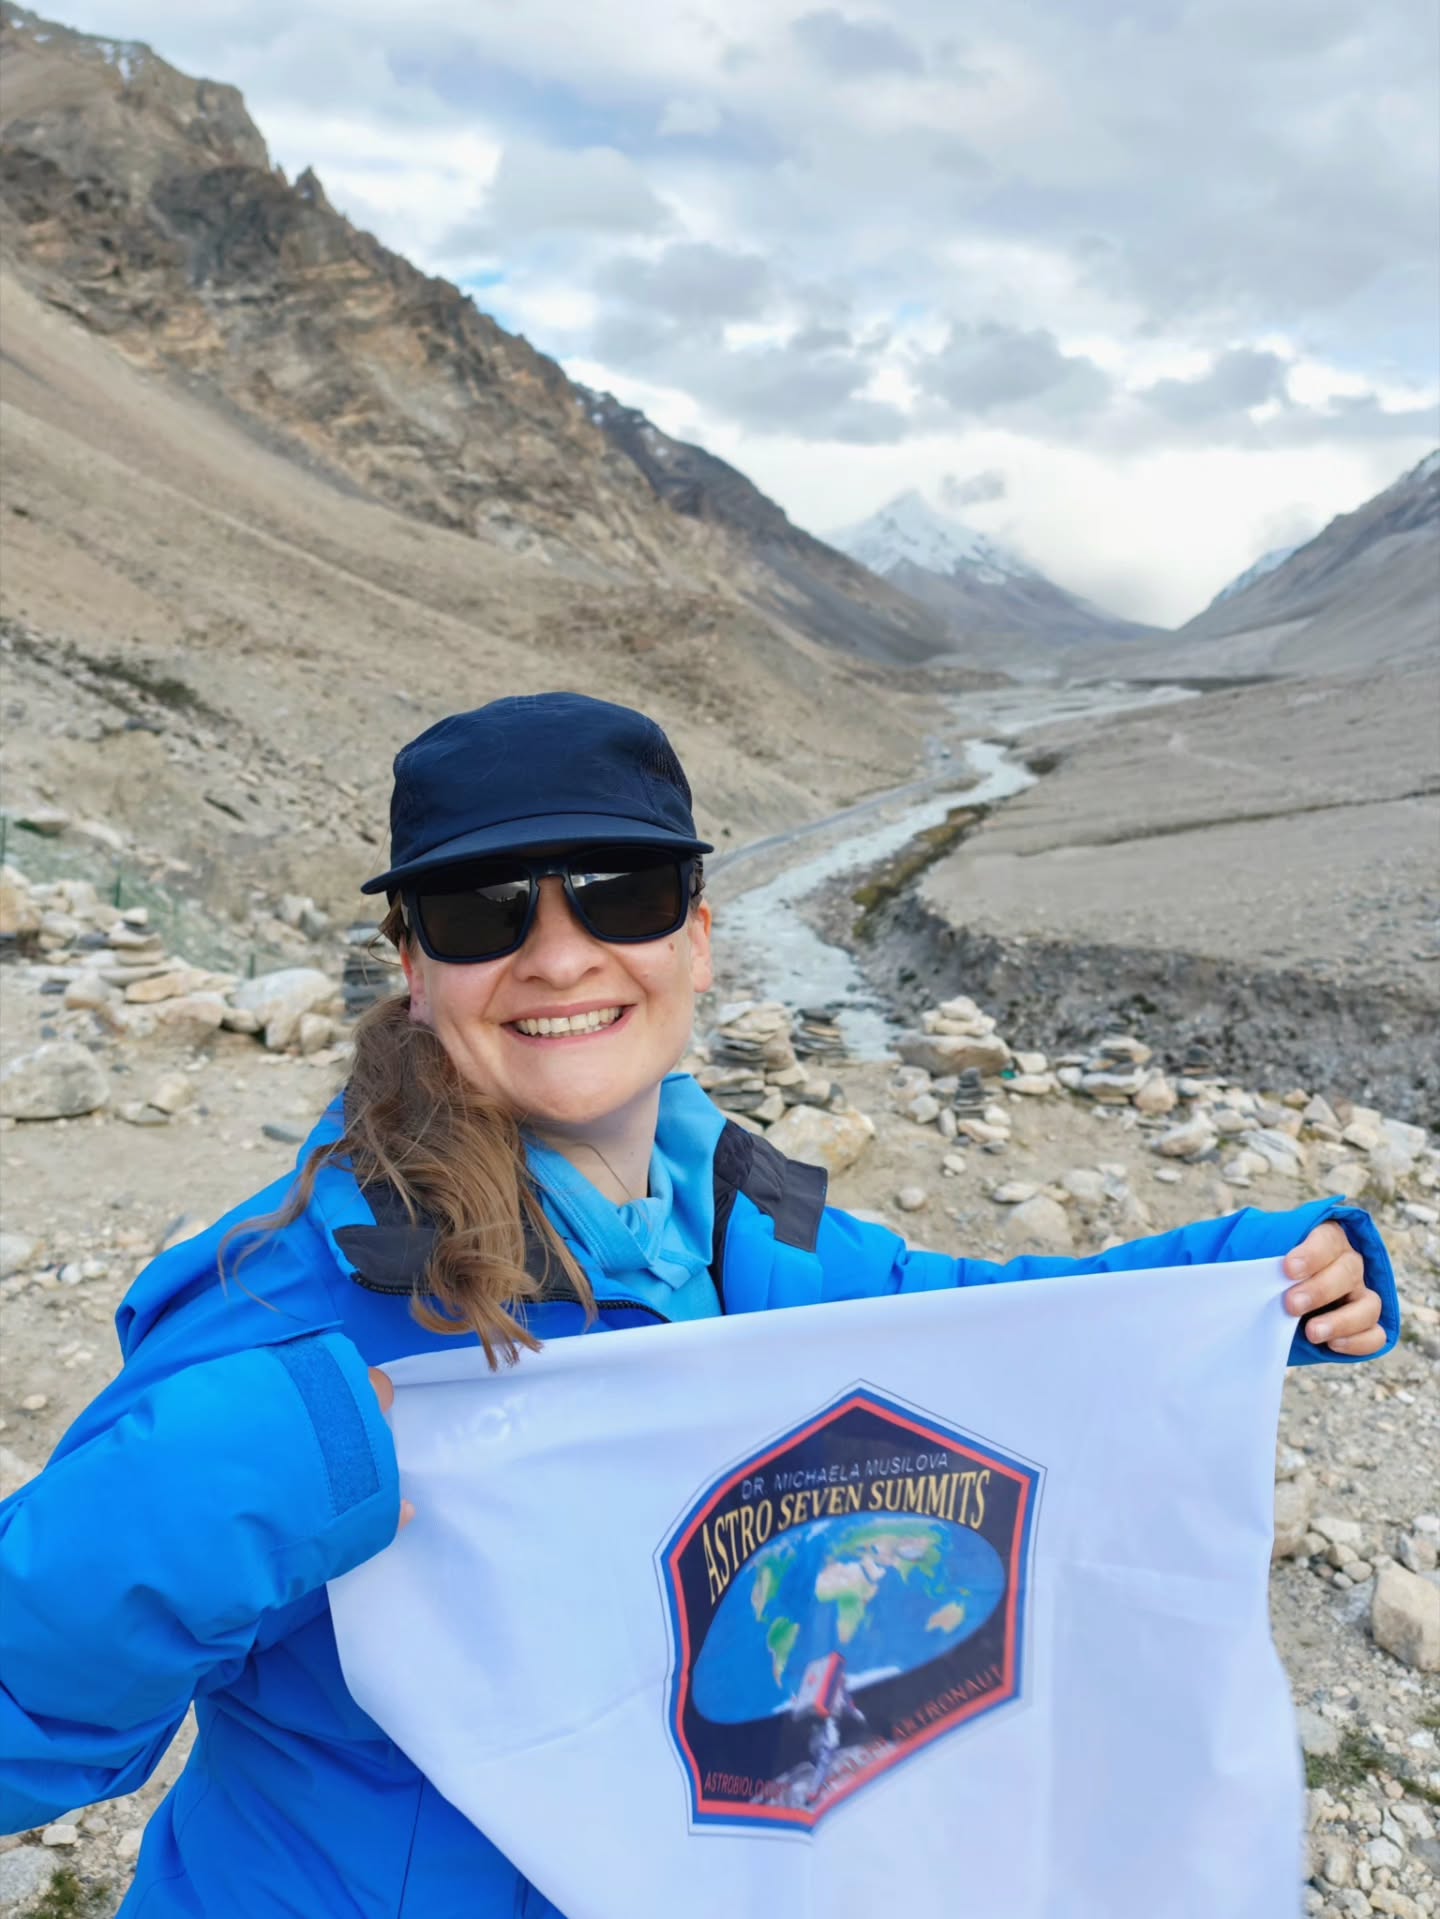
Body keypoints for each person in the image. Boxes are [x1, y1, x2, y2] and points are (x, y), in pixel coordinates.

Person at [0, 693, 1398, 1917]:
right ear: (414, 968)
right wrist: (247, 1466)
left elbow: (981, 1335)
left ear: (702, 940)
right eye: (484, 910)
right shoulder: (288, 1302)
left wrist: (1249, 1279)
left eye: (620, 892)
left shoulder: (745, 1225)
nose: (558, 957)